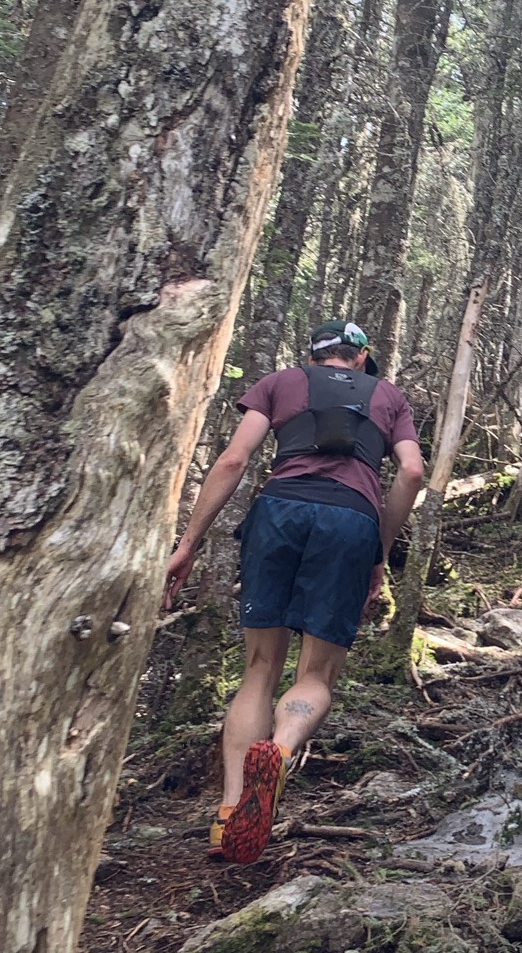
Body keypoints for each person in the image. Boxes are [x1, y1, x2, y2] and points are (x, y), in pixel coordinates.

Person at [162, 320, 424, 863]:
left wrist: (187, 544)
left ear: (313, 355)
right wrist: (378, 550)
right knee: (317, 674)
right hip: (349, 519)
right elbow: (412, 473)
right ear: (361, 357)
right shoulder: (389, 396)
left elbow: (233, 460)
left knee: (259, 668)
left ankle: (229, 815)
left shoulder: (280, 382)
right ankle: (279, 751)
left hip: (278, 511)